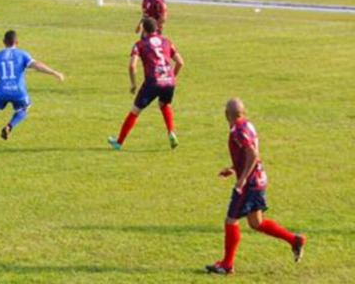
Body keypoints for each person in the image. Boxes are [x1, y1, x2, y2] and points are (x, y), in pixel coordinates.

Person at [206, 98, 306, 275]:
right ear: (243, 113)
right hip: (259, 179)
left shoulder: (237, 131)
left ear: (226, 115)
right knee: (256, 222)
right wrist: (233, 168)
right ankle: (294, 240)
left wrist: (242, 178)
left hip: (250, 184)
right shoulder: (248, 125)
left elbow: (252, 154)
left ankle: (227, 265)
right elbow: (250, 153)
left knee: (231, 220)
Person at [0, 30, 65, 145]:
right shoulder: (23, 54)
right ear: (17, 42)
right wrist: (54, 72)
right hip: (19, 92)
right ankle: (10, 125)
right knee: (24, 109)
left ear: (4, 42)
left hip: (1, 91)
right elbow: (37, 65)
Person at [108, 18, 182, 151]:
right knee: (164, 104)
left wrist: (133, 84)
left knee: (135, 111)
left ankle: (118, 143)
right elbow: (180, 62)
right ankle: (171, 132)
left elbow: (132, 66)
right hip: (169, 81)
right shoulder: (167, 42)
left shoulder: (140, 44)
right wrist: (172, 77)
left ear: (143, 30)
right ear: (156, 29)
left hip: (153, 81)